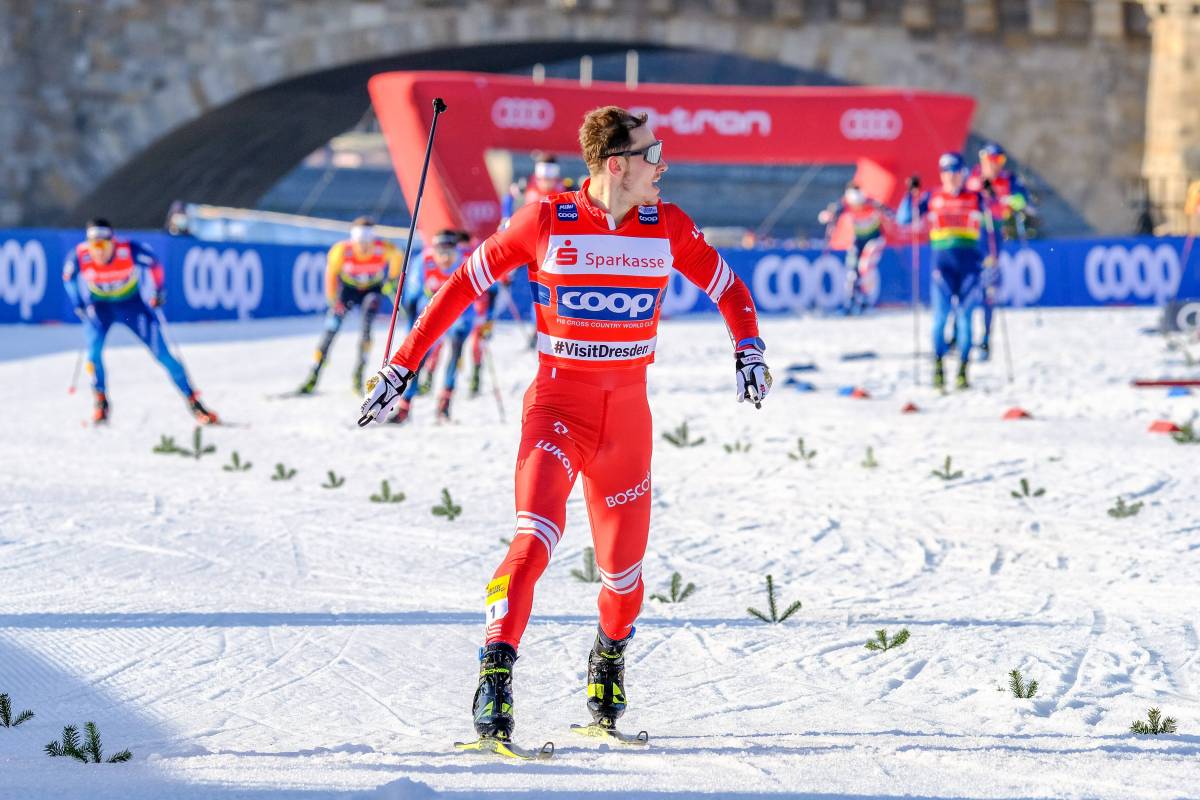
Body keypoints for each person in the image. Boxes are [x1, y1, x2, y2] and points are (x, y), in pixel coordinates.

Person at [359, 106, 771, 755]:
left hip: (626, 424)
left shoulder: (668, 225)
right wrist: (402, 365)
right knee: (535, 539)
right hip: (557, 407)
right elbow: (463, 284)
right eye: (651, 152)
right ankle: (495, 677)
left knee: (623, 577)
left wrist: (748, 348)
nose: (662, 164)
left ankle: (607, 661)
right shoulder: (548, 219)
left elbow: (728, 287)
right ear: (617, 165)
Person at [62, 218, 218, 424]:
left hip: (131, 306)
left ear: (112, 242)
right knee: (93, 353)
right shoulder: (80, 255)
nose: (98, 251)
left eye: (102, 245)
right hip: (100, 307)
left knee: (162, 354)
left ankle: (193, 400)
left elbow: (155, 265)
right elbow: (68, 278)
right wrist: (78, 302)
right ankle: (100, 401)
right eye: (93, 245)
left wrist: (158, 291)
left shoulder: (128, 250)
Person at [898, 152, 995, 390]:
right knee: (940, 319)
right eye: (945, 171)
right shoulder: (932, 197)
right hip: (943, 267)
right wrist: (910, 195)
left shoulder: (974, 197)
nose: (950, 176)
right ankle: (939, 366)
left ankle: (963, 370)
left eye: (954, 171)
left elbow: (996, 214)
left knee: (965, 319)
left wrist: (991, 194)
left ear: (962, 173)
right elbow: (904, 218)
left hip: (970, 267)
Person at [298, 216, 402, 395]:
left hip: (372, 289)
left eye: (366, 242)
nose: (363, 246)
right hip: (348, 290)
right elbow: (331, 276)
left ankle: (358, 375)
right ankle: (314, 374)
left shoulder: (383, 247)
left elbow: (399, 257)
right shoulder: (341, 250)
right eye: (359, 241)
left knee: (366, 330)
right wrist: (333, 301)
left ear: (372, 239)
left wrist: (392, 280)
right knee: (331, 330)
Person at [391, 229, 472, 423]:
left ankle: (444, 405)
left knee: (455, 349)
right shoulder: (423, 262)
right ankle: (405, 407)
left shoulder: (466, 262)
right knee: (418, 359)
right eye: (440, 252)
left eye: (449, 252)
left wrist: (488, 318)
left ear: (456, 250)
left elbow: (491, 290)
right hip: (430, 315)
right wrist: (412, 328)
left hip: (459, 316)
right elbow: (410, 299)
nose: (444, 257)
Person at [966, 142, 1029, 358]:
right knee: (964, 288)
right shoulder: (970, 177)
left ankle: (985, 338)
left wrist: (1011, 200)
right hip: (971, 237)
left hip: (993, 237)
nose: (995, 166)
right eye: (991, 161)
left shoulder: (1009, 179)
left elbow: (1023, 200)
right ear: (982, 160)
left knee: (989, 289)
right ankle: (958, 336)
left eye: (999, 162)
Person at [817, 183, 894, 314]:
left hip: (875, 239)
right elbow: (831, 214)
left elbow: (889, 212)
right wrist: (827, 216)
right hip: (859, 240)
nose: (857, 207)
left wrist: (888, 215)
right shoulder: (845, 204)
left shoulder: (870, 202)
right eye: (854, 204)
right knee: (852, 271)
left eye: (859, 203)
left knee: (864, 266)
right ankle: (851, 302)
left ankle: (865, 298)